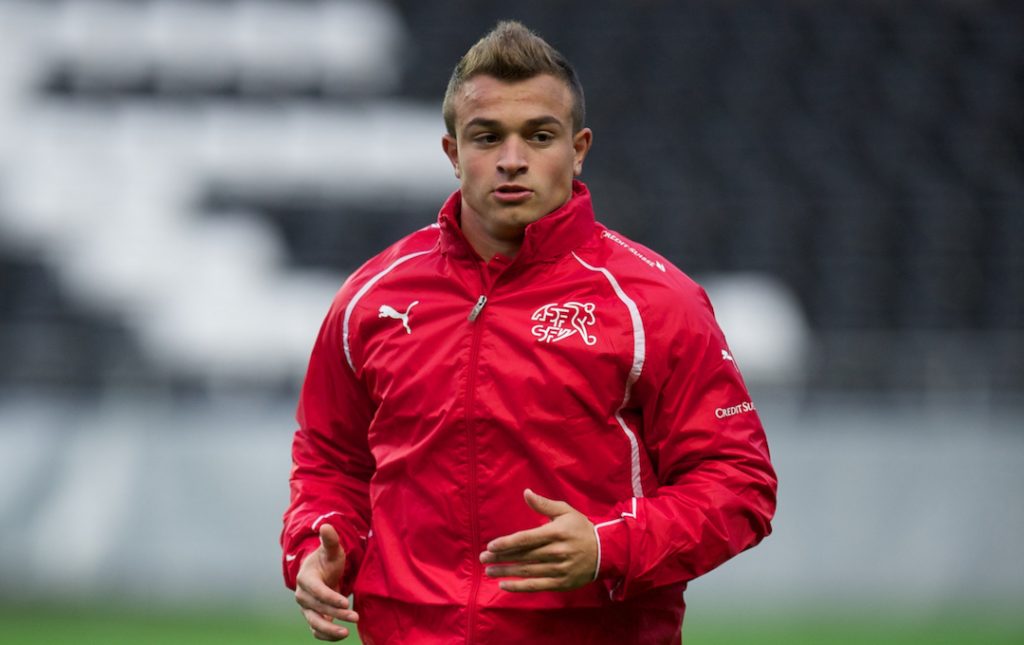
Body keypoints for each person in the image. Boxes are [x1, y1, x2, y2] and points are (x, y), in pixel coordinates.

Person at [281, 20, 776, 644]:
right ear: (452, 152)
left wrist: (607, 547)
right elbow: (329, 459)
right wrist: (316, 543)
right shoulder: (369, 299)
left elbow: (738, 483)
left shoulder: (655, 302)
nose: (512, 160)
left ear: (579, 147)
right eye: (487, 137)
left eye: (539, 135)